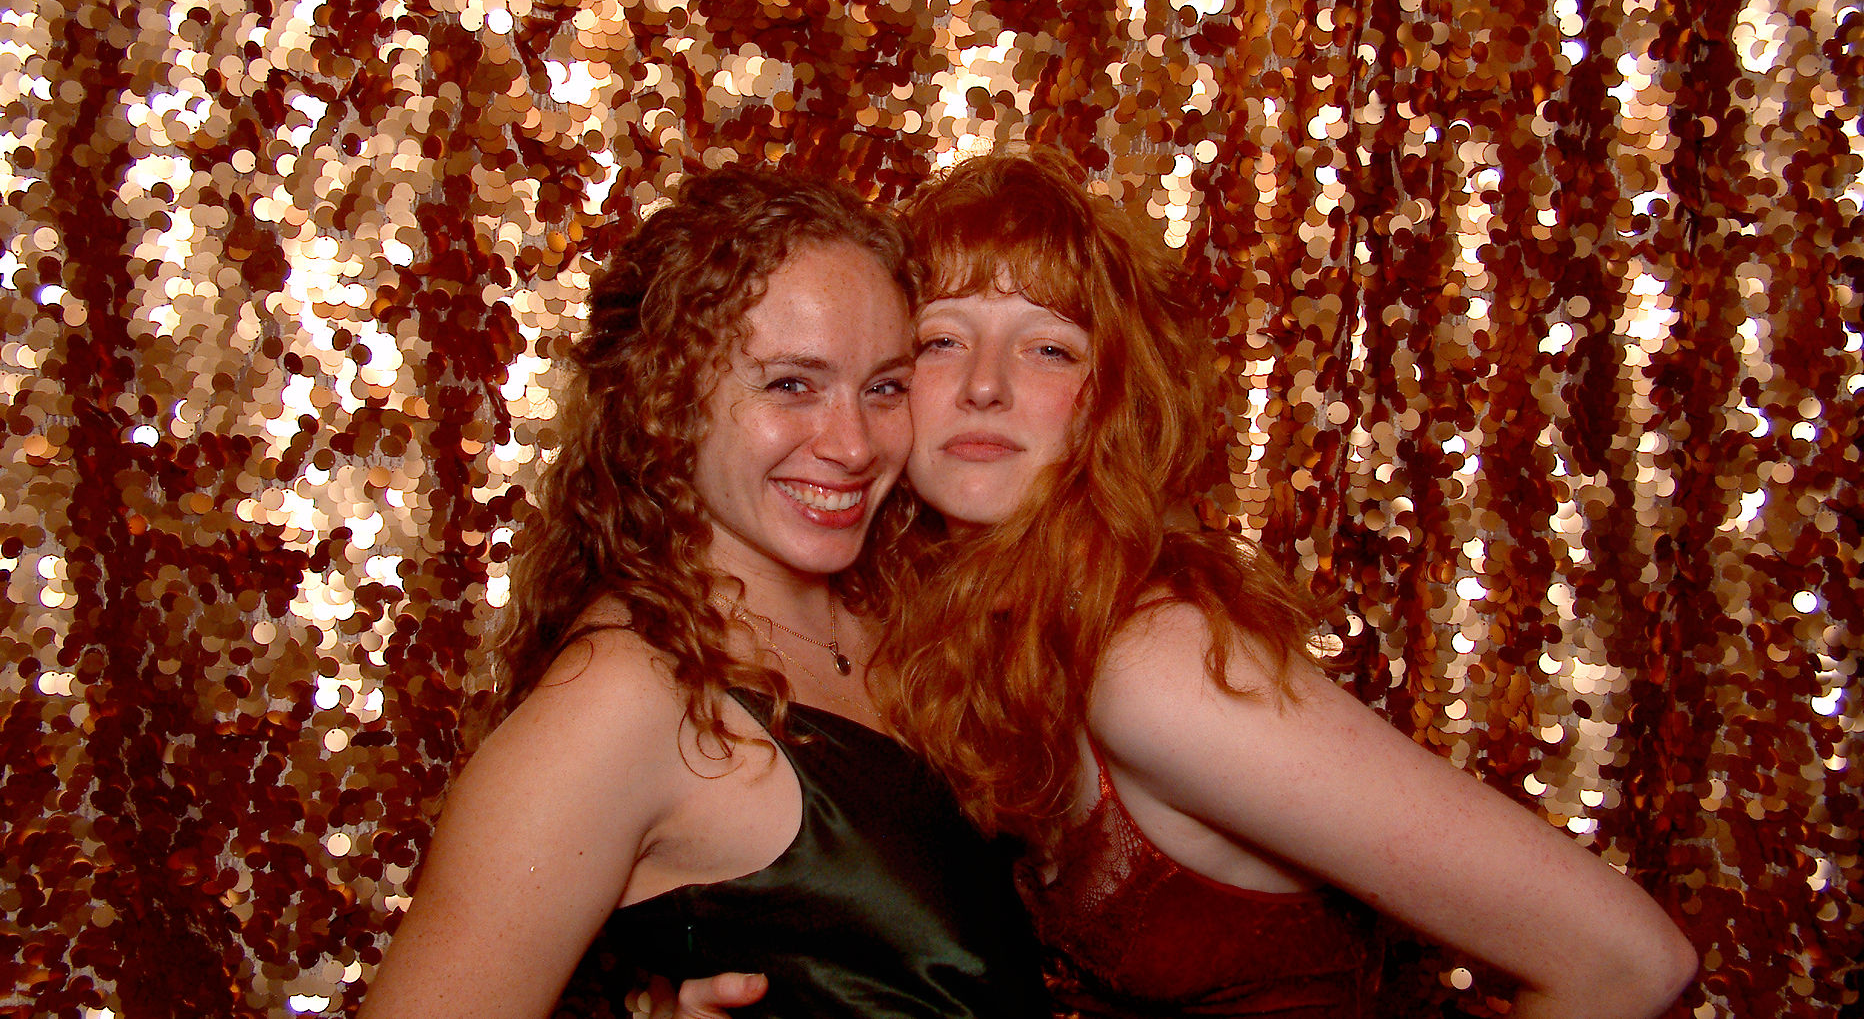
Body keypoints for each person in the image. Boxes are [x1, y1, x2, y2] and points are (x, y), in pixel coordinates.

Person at [876, 147, 1699, 1018]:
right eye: (940, 341)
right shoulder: (981, 633)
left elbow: (1629, 961)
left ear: (1113, 399)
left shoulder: (1154, 664)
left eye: (1049, 348)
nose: (985, 386)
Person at [359, 166, 1048, 1019]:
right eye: (790, 384)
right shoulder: (615, 704)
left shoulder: (902, 603)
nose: (854, 445)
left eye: (884, 388)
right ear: (666, 399)